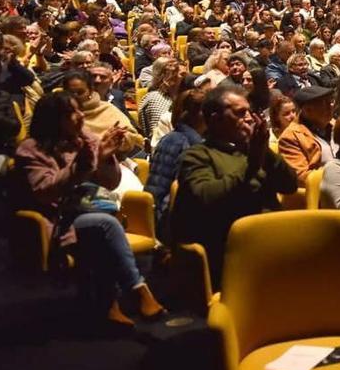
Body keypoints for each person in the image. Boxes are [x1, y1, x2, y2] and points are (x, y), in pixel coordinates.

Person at [13, 91, 165, 326]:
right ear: (53, 120)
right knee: (105, 224)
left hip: (89, 208)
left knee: (102, 226)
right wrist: (81, 166)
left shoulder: (84, 140)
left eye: (78, 110)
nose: (79, 116)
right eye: (71, 113)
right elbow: (45, 192)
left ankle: (108, 303)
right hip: (57, 219)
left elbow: (110, 182)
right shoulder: (30, 150)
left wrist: (104, 157)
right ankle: (138, 289)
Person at [172, 84, 298, 287]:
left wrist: (264, 151)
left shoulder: (254, 151)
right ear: (215, 118)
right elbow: (207, 197)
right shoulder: (197, 155)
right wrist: (253, 164)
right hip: (231, 251)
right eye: (240, 113)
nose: (248, 118)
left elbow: (290, 185)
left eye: (249, 112)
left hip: (274, 240)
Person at [145, 86, 205, 226]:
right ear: (199, 114)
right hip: (168, 219)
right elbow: (179, 195)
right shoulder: (179, 142)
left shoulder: (183, 138)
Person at [277, 84, 335, 186]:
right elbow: (300, 177)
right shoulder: (290, 137)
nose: (330, 106)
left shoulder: (335, 125)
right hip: (323, 193)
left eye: (330, 102)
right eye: (324, 103)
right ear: (307, 110)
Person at [138, 55, 181, 144]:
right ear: (169, 77)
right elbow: (161, 140)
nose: (188, 77)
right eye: (183, 74)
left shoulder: (179, 95)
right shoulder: (156, 100)